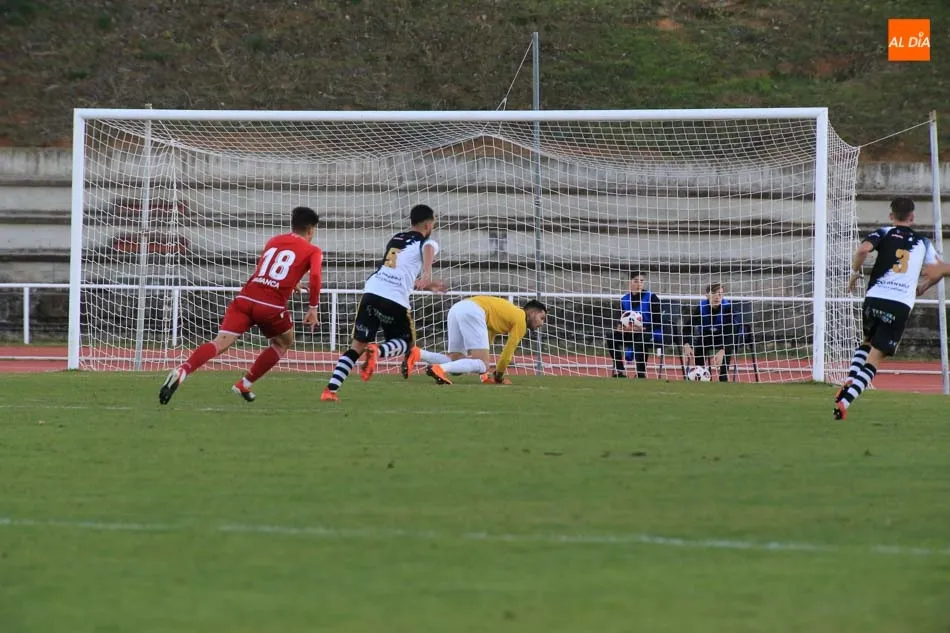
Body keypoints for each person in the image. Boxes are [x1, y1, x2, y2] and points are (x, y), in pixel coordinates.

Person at [159, 206, 323, 404]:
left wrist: (291, 282)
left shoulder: (274, 241)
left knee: (218, 343)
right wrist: (313, 308)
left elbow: (266, 269)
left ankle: (183, 370)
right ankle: (244, 383)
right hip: (270, 306)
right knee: (283, 342)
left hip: (245, 298)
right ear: (311, 230)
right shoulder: (313, 250)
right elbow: (315, 276)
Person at [321, 204, 445, 401]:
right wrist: (427, 274)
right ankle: (377, 350)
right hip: (394, 299)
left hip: (371, 292)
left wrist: (426, 284)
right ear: (428, 225)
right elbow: (428, 248)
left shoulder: (396, 238)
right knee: (406, 343)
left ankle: (330, 390)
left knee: (357, 346)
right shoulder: (427, 242)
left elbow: (400, 270)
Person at [834, 197, 938, 420]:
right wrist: (923, 286)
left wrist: (854, 273)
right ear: (912, 217)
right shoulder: (923, 242)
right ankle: (845, 402)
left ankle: (851, 377)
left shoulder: (883, 232)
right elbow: (937, 270)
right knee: (874, 359)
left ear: (891, 215)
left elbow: (863, 250)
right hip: (899, 303)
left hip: (874, 298)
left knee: (867, 342)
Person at [415, 296, 547, 385]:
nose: (541, 323)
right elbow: (507, 352)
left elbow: (488, 339)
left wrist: (484, 375)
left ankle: (418, 353)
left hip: (457, 308)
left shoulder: (509, 312)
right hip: (473, 310)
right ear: (532, 313)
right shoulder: (521, 320)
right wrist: (498, 376)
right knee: (482, 363)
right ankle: (439, 369)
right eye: (542, 318)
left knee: (456, 363)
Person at [605, 271, 663, 378]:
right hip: (631, 331)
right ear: (630, 282)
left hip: (650, 331)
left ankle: (641, 373)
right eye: (636, 281)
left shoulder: (651, 297)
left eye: (641, 281)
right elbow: (622, 319)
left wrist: (642, 328)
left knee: (641, 339)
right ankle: (621, 371)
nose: (639, 284)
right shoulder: (625, 299)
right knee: (611, 337)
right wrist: (621, 327)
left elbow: (658, 321)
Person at [682, 282, 742, 382]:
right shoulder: (701, 307)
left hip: (724, 337)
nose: (717, 297)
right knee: (701, 342)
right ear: (707, 295)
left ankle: (723, 377)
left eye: (720, 294)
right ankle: (701, 373)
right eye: (713, 293)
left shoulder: (727, 308)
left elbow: (732, 332)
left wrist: (723, 350)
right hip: (707, 336)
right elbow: (688, 326)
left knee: (728, 345)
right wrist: (686, 343)